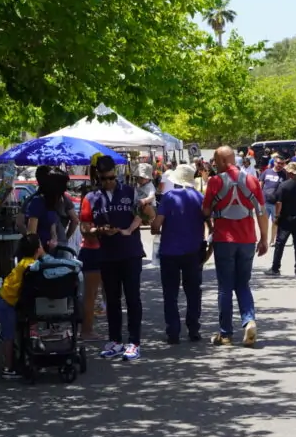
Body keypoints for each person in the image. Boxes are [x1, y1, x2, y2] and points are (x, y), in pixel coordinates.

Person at [82, 155, 154, 361]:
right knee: (112, 300)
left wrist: (146, 206)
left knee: (132, 298)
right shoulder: (91, 198)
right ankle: (115, 341)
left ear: (117, 174)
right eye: (103, 179)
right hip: (106, 254)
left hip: (130, 253)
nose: (108, 182)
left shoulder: (130, 192)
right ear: (97, 177)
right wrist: (99, 230)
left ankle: (134, 342)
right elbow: (85, 228)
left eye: (111, 178)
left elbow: (149, 215)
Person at [202, 146, 269, 347]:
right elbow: (262, 212)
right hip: (247, 239)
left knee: (225, 287)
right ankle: (249, 321)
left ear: (222, 161)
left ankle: (225, 334)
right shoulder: (252, 180)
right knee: (243, 284)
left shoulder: (215, 182)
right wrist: (264, 238)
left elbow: (205, 210)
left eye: (216, 161)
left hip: (224, 240)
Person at [151, 164, 207, 344]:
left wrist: (152, 221)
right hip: (193, 250)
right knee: (193, 292)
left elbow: (156, 226)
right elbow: (209, 222)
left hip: (170, 251)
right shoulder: (200, 197)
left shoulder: (169, 197)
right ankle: (193, 329)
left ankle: (173, 332)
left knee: (170, 293)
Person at [0, 234, 45, 379]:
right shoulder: (30, 265)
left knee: (14, 332)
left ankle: (15, 359)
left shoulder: (25, 262)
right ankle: (8, 368)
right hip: (6, 302)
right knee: (9, 336)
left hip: (6, 299)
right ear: (37, 249)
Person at [266, 162, 296, 278]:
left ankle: (275, 268)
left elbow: (279, 203)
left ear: (290, 173)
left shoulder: (284, 185)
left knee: (279, 245)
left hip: (285, 220)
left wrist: (276, 216)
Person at [78, 164, 102, 340]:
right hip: (92, 250)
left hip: (96, 250)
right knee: (91, 293)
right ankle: (86, 330)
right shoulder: (90, 198)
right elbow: (85, 228)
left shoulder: (90, 197)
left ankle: (88, 329)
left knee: (93, 293)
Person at [25, 168, 69, 252]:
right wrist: (43, 254)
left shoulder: (52, 203)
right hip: (38, 254)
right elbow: (31, 234)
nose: (66, 190)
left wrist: (54, 238)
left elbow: (52, 226)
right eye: (64, 187)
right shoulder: (37, 202)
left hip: (52, 251)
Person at [259, 156, 287, 247]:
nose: (280, 165)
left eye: (282, 163)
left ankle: (272, 240)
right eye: (278, 163)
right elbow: (260, 185)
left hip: (277, 203)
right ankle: (263, 239)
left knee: (275, 222)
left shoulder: (284, 174)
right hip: (265, 202)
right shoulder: (266, 172)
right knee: (264, 222)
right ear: (274, 162)